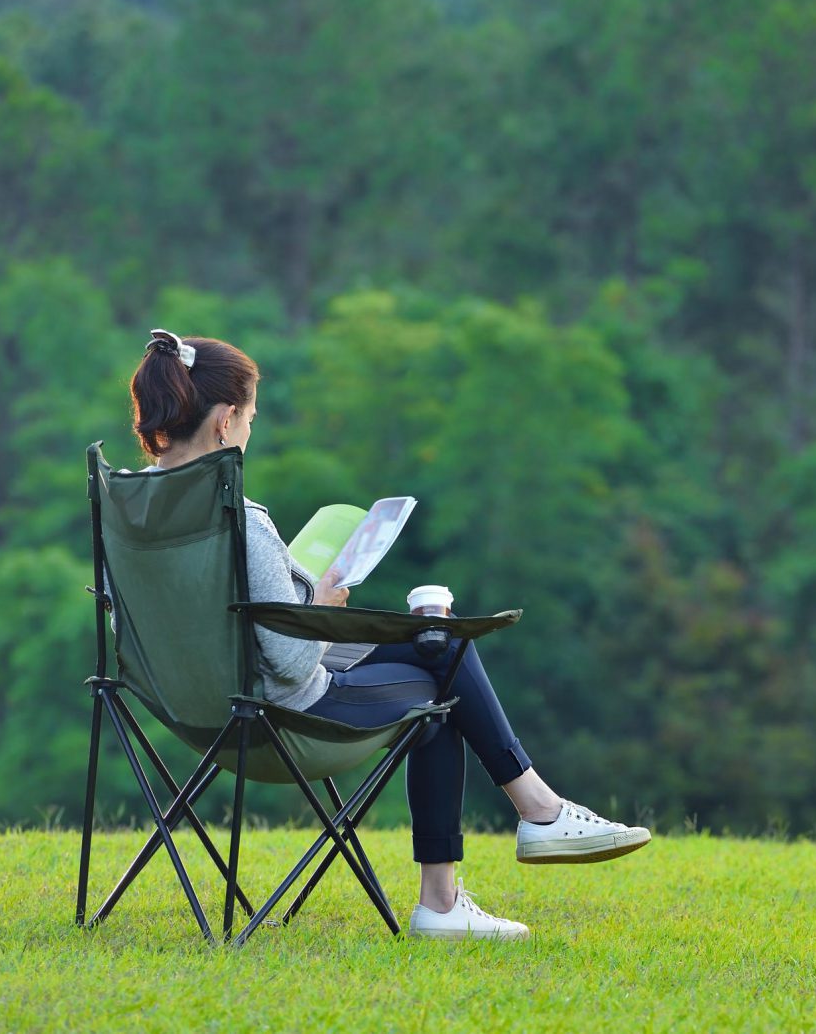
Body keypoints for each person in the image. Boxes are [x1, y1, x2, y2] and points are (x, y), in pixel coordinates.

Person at [129, 329, 649, 941]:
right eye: (249, 418)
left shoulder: (131, 509)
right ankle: (491, 856)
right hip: (276, 720)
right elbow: (293, 667)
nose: (248, 432)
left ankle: (528, 823)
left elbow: (140, 629)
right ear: (223, 421)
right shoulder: (240, 520)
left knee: (438, 642)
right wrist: (319, 603)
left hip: (190, 717)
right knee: (442, 676)